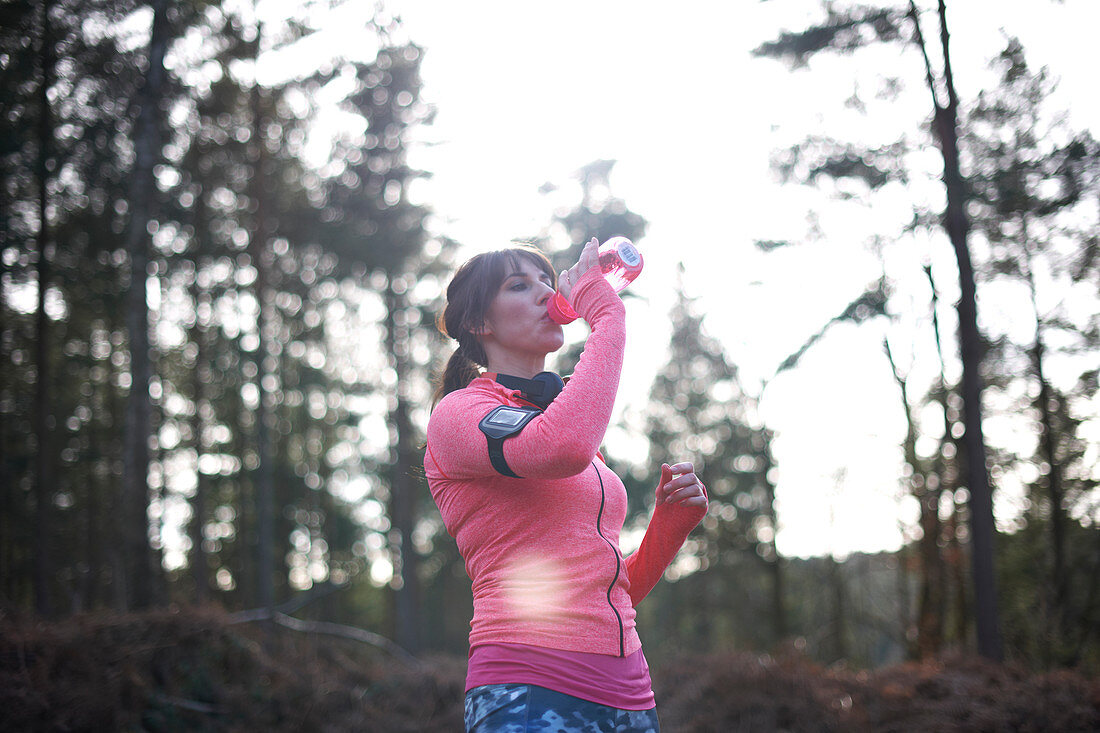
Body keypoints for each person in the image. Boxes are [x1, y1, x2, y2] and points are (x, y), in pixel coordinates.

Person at [425, 238, 708, 732]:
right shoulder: (459, 415)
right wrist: (609, 321)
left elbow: (614, 586)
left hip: (630, 692)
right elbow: (559, 450)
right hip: (529, 685)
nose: (543, 293)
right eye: (518, 285)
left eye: (547, 282)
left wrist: (671, 523)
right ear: (479, 323)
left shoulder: (556, 419)